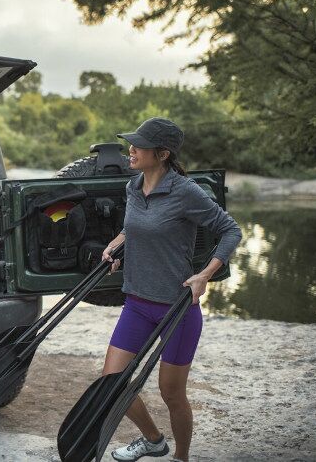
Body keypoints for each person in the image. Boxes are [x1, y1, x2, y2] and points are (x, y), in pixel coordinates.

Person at [101, 117, 242, 462]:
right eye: (132, 143)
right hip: (137, 303)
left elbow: (231, 230)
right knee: (111, 382)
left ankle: (181, 457)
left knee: (171, 393)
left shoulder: (185, 192)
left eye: (139, 145)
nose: (131, 149)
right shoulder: (133, 187)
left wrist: (204, 275)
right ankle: (153, 440)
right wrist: (116, 245)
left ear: (162, 154)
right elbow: (133, 228)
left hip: (176, 309)